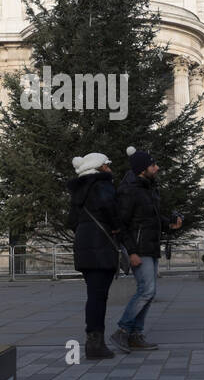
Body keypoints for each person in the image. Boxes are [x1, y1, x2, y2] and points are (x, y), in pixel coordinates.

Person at [110, 147, 182, 352]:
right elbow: (122, 225)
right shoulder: (129, 190)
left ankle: (135, 335)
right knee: (146, 290)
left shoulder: (148, 187)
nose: (157, 168)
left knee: (149, 292)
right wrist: (131, 252)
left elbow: (152, 217)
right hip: (139, 248)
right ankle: (122, 331)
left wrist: (170, 224)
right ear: (143, 169)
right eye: (153, 165)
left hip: (150, 246)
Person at [67, 153, 120, 360]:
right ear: (100, 167)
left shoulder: (79, 189)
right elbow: (111, 209)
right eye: (107, 165)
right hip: (100, 247)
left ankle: (94, 341)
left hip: (84, 246)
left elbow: (71, 221)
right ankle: (95, 344)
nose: (109, 168)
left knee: (94, 295)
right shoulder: (102, 185)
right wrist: (116, 228)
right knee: (99, 296)